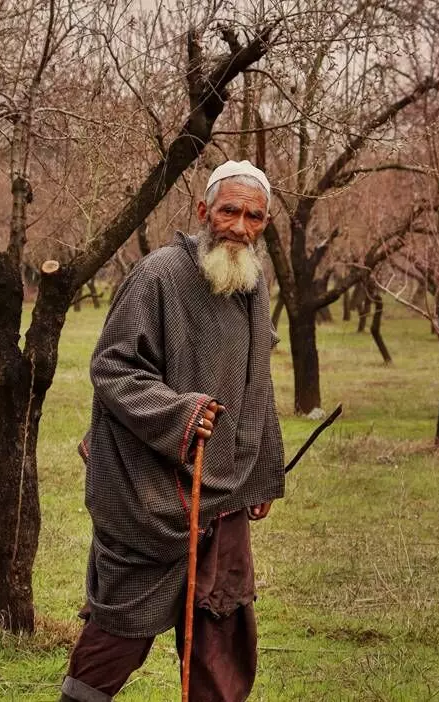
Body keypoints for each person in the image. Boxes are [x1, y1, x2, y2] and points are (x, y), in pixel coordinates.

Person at [60, 160, 285, 702]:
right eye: (229, 210)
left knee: (222, 627)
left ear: (265, 224)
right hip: (150, 490)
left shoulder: (251, 285)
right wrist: (181, 413)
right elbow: (113, 366)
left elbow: (258, 384)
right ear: (204, 211)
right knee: (120, 626)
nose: (239, 225)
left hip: (224, 491)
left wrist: (259, 475)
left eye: (254, 216)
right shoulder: (159, 275)